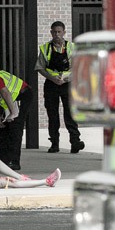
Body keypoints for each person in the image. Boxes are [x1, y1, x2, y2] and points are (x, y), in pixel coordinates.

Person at [35, 21, 85, 154]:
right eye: (54, 32)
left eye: (59, 32)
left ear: (64, 32)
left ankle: (75, 142)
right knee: (53, 115)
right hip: (51, 85)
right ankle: (54, 144)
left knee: (70, 113)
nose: (57, 34)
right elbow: (40, 67)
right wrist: (52, 78)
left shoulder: (72, 47)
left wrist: (67, 78)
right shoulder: (45, 48)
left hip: (68, 84)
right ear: (51, 32)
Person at [0, 69, 34, 171]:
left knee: (15, 127)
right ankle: (3, 158)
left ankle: (14, 161)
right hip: (8, 101)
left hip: (21, 94)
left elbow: (5, 92)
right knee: (4, 128)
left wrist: (13, 113)